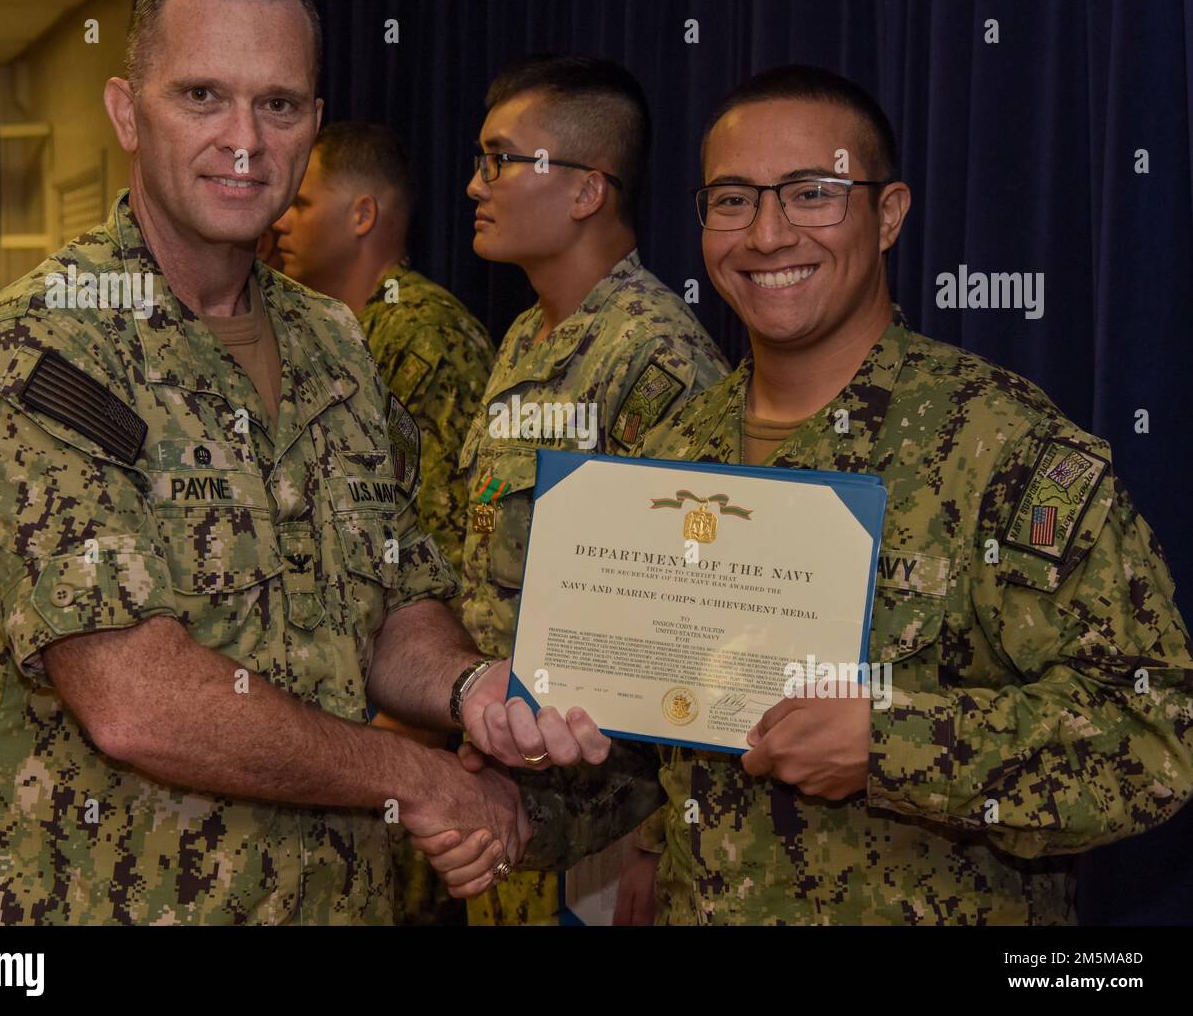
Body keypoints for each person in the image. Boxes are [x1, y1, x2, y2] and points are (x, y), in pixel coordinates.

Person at [0, 0, 605, 926]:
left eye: (278, 105)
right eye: (201, 96)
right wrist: (415, 776)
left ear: (311, 123)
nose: (244, 139)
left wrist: (470, 687)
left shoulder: (332, 341)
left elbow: (394, 595)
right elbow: (133, 694)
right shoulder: (47, 344)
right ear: (125, 112)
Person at [422, 64, 1193, 926]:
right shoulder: (673, 458)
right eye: (733, 199)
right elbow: (649, 754)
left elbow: (1153, 733)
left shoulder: (1001, 448)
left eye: (812, 193)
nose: (767, 233)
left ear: (888, 213)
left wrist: (890, 742)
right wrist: (514, 813)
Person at [458, 54, 730, 925]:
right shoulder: (528, 339)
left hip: (607, 835)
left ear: (586, 191)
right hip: (514, 804)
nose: (475, 184)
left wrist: (658, 841)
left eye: (500, 159)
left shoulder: (655, 360)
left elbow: (697, 622)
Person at [272, 121, 493, 578]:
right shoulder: (323, 331)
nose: (280, 221)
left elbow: (440, 539)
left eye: (300, 203)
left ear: (362, 216)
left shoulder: (427, 335)